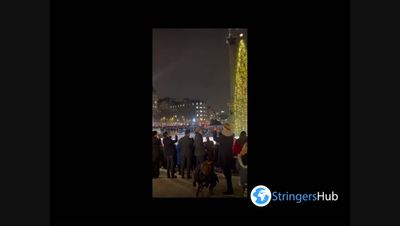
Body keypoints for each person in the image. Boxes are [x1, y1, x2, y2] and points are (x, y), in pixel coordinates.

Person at [213, 122, 235, 195]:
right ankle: (230, 189)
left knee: (227, 175)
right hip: (229, 156)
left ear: (225, 127)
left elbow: (215, 138)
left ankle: (230, 190)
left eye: (223, 127)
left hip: (223, 157)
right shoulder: (232, 135)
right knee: (228, 174)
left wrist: (215, 131)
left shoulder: (222, 136)